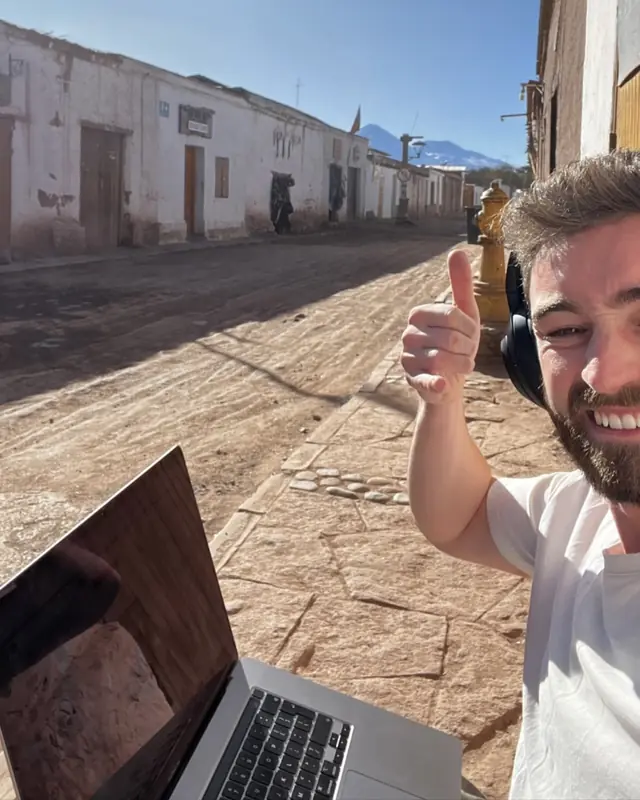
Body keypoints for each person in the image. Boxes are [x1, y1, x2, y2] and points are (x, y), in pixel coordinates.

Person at [402, 150, 640, 800]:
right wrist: (443, 401)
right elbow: (461, 516)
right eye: (565, 330)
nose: (602, 374)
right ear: (530, 368)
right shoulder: (577, 514)